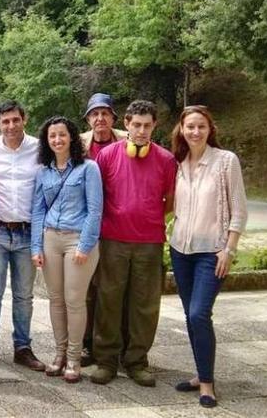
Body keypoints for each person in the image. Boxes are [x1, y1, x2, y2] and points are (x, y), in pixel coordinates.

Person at [91, 100, 176, 387]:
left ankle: (137, 361)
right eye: (136, 125)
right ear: (126, 124)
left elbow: (170, 200)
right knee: (108, 300)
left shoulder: (166, 160)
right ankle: (106, 361)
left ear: (155, 126)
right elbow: (97, 198)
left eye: (147, 126)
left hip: (150, 242)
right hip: (113, 240)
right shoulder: (107, 156)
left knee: (145, 304)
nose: (141, 131)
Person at [169, 106, 247, 408]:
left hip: (211, 253)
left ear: (210, 128)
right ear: (182, 129)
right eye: (190, 126)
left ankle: (206, 384)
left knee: (200, 313)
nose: (195, 132)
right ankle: (201, 373)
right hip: (180, 251)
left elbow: (239, 210)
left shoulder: (225, 161)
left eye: (201, 126)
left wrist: (229, 249)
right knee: (191, 316)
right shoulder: (179, 162)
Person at [30, 117, 102, 383]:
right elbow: (37, 211)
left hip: (77, 240)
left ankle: (74, 358)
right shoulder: (44, 172)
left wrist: (85, 245)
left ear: (72, 137)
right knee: (56, 299)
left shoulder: (88, 168)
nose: (57, 140)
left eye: (62, 134)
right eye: (52, 136)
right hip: (50, 238)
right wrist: (36, 247)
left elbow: (95, 210)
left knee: (74, 300)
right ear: (47, 141)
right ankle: (59, 354)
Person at [0, 100, 44, 371]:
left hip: (28, 233)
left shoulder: (39, 148)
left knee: (24, 296)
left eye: (16, 120)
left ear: (24, 119)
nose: (11, 126)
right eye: (5, 121)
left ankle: (22, 348)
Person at [78, 93, 128, 366]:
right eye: (94, 114)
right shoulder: (80, 144)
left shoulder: (127, 140)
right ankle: (87, 344)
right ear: (88, 119)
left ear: (113, 117)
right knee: (86, 288)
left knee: (113, 287)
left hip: (116, 224)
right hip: (86, 225)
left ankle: (114, 343)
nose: (100, 119)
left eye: (105, 113)